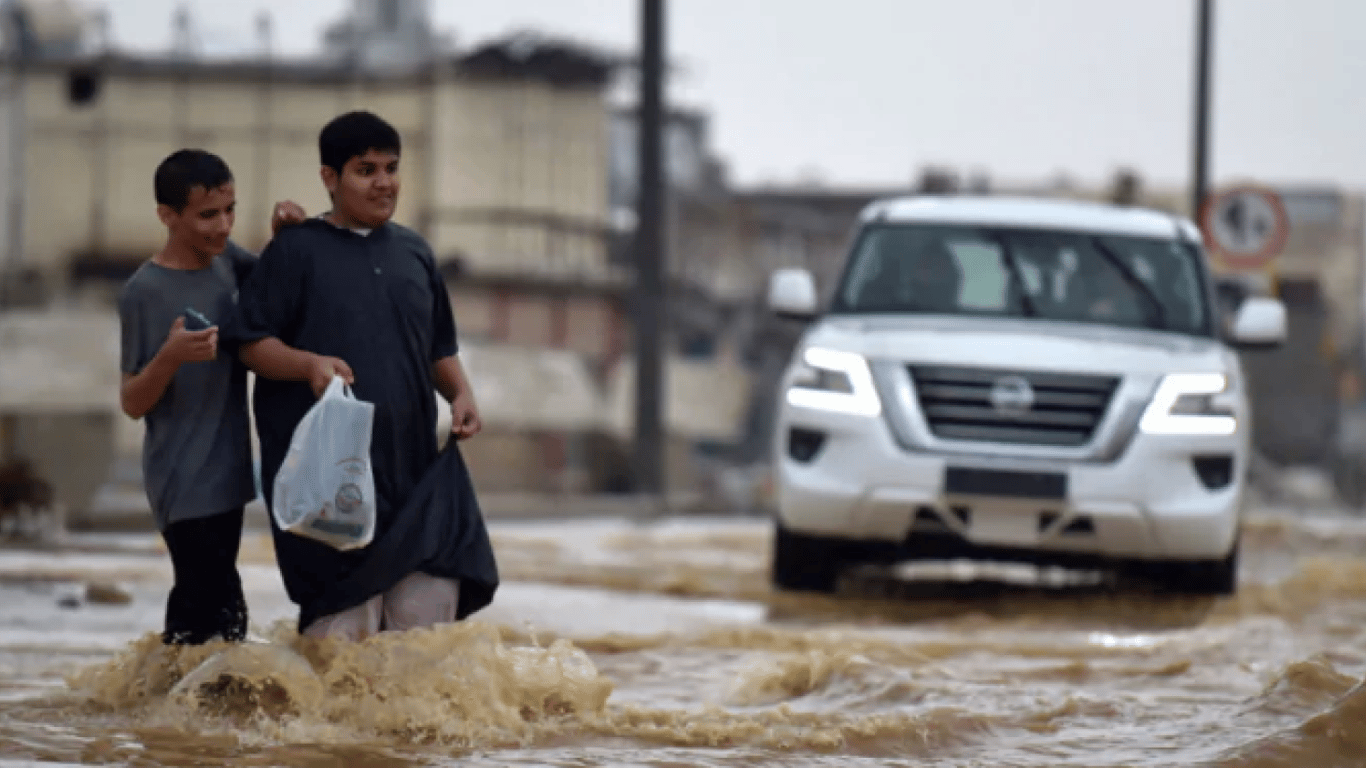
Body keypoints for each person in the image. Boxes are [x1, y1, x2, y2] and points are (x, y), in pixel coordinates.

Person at [234, 110, 499, 642]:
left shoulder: (415, 253)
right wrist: (308, 365)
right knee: (338, 657)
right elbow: (250, 344)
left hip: (416, 481)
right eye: (365, 169)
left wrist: (461, 393)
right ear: (330, 179)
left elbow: (438, 348)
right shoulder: (294, 251)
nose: (384, 183)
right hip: (332, 485)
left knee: (423, 655)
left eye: (391, 168)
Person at [117, 148, 307, 646]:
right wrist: (170, 356)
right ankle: (182, 709)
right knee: (218, 609)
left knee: (208, 608)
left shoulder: (227, 262)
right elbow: (132, 402)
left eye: (230, 211)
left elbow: (272, 281)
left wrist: (283, 236)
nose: (223, 226)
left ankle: (163, 710)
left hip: (228, 474)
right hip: (181, 478)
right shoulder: (144, 291)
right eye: (207, 215)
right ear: (167, 216)